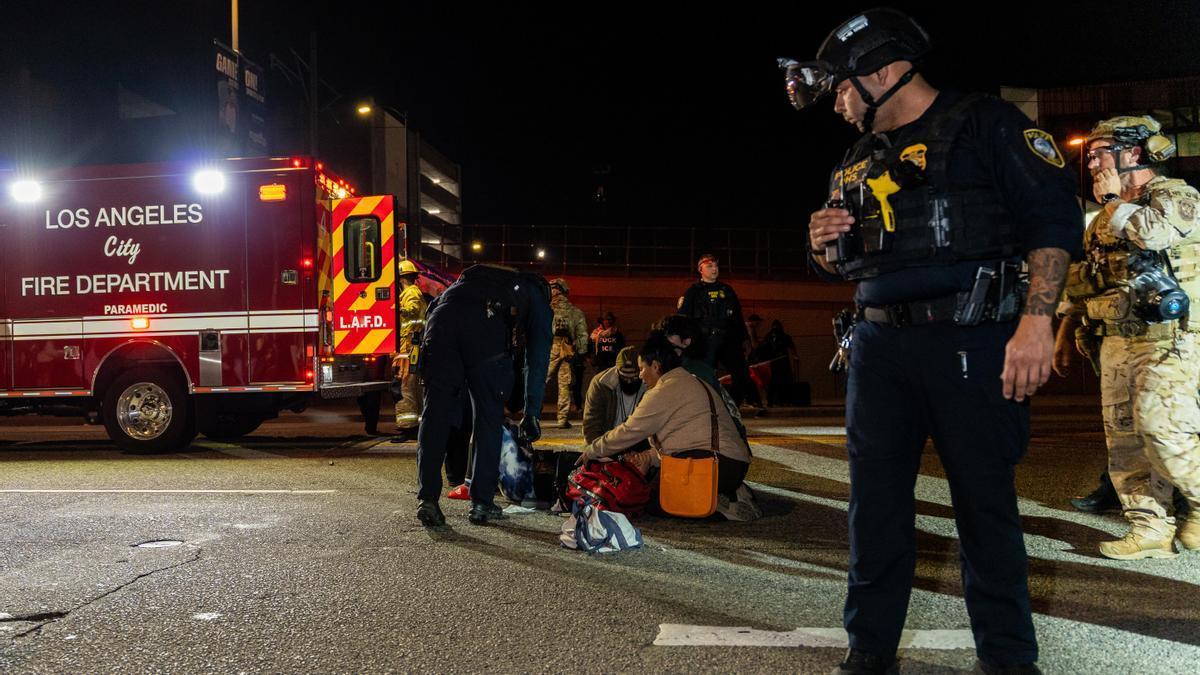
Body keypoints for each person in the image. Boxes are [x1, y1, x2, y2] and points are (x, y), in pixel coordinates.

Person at [789, 8, 1080, 673]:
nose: (835, 102)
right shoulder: (855, 158)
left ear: (884, 73)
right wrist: (822, 246)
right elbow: (844, 264)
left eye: (841, 86)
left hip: (973, 340)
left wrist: (1036, 322)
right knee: (875, 511)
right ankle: (869, 651)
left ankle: (1008, 658)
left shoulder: (985, 124)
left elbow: (1054, 218)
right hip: (879, 351)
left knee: (984, 506)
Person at [1053, 115, 1200, 559]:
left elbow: (1153, 234)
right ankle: (1150, 528)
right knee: (1124, 440)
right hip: (1118, 337)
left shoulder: (1176, 195)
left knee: (1164, 432)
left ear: (1133, 153)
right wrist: (1067, 329)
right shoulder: (1103, 214)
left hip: (1170, 338)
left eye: (1099, 151)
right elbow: (1090, 278)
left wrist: (1114, 199)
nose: (1092, 160)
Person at [414, 264, 552, 527]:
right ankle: (482, 503)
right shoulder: (534, 296)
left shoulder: (468, 283)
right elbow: (537, 358)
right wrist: (532, 412)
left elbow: (434, 311)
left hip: (440, 326)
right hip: (485, 332)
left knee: (435, 415)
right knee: (488, 420)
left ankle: (428, 499)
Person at [579, 332, 759, 521]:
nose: (640, 375)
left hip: (714, 464)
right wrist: (649, 457)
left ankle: (724, 507)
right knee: (654, 491)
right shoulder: (691, 380)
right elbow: (683, 439)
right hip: (729, 463)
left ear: (655, 366)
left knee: (653, 501)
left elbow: (630, 430)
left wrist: (592, 450)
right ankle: (727, 492)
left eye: (642, 368)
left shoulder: (663, 390)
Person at [679, 254, 765, 415]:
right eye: (710, 266)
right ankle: (705, 410)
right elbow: (683, 318)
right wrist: (683, 340)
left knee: (742, 374)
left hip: (728, 340)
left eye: (716, 266)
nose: (714, 269)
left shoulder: (727, 290)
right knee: (704, 377)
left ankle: (729, 408)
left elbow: (738, 317)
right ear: (700, 269)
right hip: (704, 341)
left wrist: (745, 339)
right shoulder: (693, 292)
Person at [391, 259, 427, 442]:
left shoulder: (410, 293)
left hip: (408, 348)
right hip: (411, 348)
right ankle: (416, 427)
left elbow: (411, 311)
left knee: (405, 387)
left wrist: (393, 309)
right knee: (412, 388)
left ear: (401, 279)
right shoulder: (413, 292)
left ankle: (408, 428)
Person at [546, 278, 589, 429]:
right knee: (564, 385)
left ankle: (531, 416)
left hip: (547, 349)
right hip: (567, 349)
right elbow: (583, 335)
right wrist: (581, 352)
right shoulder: (575, 312)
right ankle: (562, 419)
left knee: (539, 382)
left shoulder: (544, 309)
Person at [583, 345, 647, 445]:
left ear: (641, 372)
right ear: (616, 372)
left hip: (640, 443)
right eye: (624, 377)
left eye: (633, 377)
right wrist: (599, 451)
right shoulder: (600, 384)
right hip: (607, 443)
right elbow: (591, 425)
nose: (629, 382)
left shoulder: (650, 384)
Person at [762, 320, 799, 406]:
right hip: (774, 362)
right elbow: (764, 348)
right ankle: (773, 400)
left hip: (782, 362)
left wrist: (795, 355)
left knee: (783, 381)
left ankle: (783, 400)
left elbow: (791, 346)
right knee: (774, 381)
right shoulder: (769, 336)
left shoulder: (783, 337)